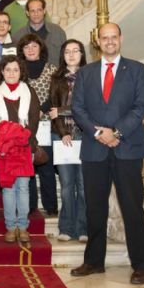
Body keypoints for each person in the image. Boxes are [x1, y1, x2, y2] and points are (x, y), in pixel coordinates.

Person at [70, 23, 144, 285]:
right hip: (95, 149)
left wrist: (116, 132)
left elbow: (140, 108)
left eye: (113, 37)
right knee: (95, 208)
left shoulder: (138, 69)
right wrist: (98, 133)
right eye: (104, 38)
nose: (109, 42)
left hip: (127, 148)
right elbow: (78, 108)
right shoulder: (85, 73)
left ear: (121, 39)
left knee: (132, 208)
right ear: (98, 42)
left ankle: (140, 264)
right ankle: (94, 261)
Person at [0, 56, 40, 243]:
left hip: (25, 146)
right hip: (4, 149)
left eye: (15, 70)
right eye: (8, 69)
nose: (11, 73)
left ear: (21, 72)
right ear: (2, 71)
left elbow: (33, 120)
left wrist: (20, 136)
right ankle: (10, 227)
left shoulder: (30, 92)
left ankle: (23, 227)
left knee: (23, 188)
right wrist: (11, 137)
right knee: (8, 188)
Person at [49, 39, 87, 242]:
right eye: (67, 52)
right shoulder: (56, 78)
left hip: (85, 135)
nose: (71, 55)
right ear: (62, 55)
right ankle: (66, 228)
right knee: (66, 185)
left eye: (75, 51)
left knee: (83, 185)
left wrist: (64, 110)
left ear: (82, 54)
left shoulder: (90, 76)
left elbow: (90, 108)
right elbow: (52, 110)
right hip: (61, 135)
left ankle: (83, 229)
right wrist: (63, 131)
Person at [17, 34, 58, 217]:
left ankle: (51, 207)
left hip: (46, 123)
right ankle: (31, 205)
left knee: (46, 166)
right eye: (27, 47)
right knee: (28, 166)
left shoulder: (52, 69)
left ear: (41, 48)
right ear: (22, 51)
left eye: (34, 46)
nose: (31, 49)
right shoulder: (17, 70)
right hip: (25, 125)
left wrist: (42, 110)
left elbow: (55, 94)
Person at [13, 0, 66, 66]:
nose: (36, 14)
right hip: (28, 75)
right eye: (32, 11)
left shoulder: (58, 32)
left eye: (39, 10)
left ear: (44, 11)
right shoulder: (18, 36)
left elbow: (65, 57)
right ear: (27, 13)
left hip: (55, 75)